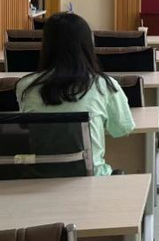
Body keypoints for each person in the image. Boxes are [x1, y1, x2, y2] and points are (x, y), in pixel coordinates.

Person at [16, 13, 135, 176]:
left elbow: (27, 126)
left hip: (41, 178)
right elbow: (122, 129)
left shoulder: (25, 86)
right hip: (91, 179)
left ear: (46, 46)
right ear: (87, 45)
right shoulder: (103, 85)